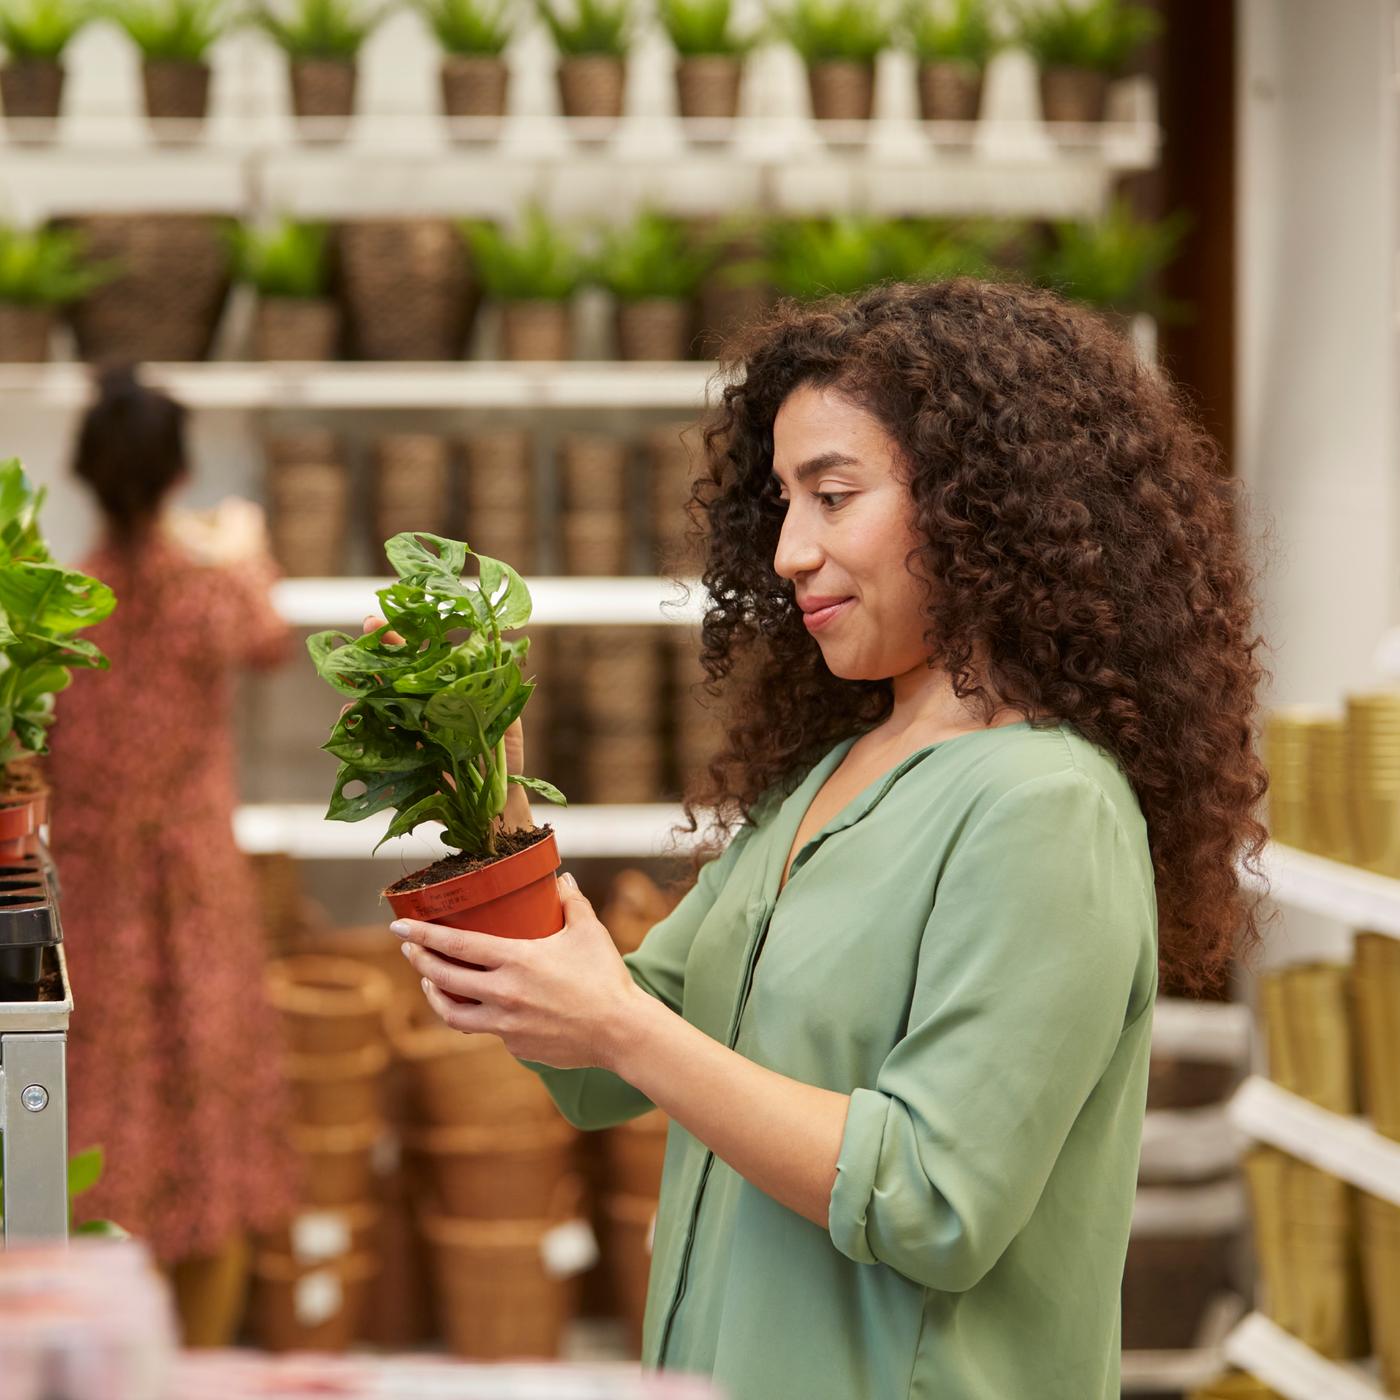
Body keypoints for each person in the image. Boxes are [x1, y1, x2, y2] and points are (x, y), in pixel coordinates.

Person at [390, 279, 1270, 1399]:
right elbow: (601, 1058)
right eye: (781, 504)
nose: (790, 551)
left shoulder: (1045, 806)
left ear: (977, 503)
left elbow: (934, 1200)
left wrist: (616, 1028)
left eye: (832, 495)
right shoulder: (823, 781)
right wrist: (482, 774)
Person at [46, 365, 296, 1345]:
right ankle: (194, 1356)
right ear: (177, 468)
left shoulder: (62, 603)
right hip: (195, 882)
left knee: (106, 1107)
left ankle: (105, 1344)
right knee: (212, 1101)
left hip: (93, 885)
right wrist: (246, 542)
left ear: (83, 473)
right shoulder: (208, 586)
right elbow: (271, 637)